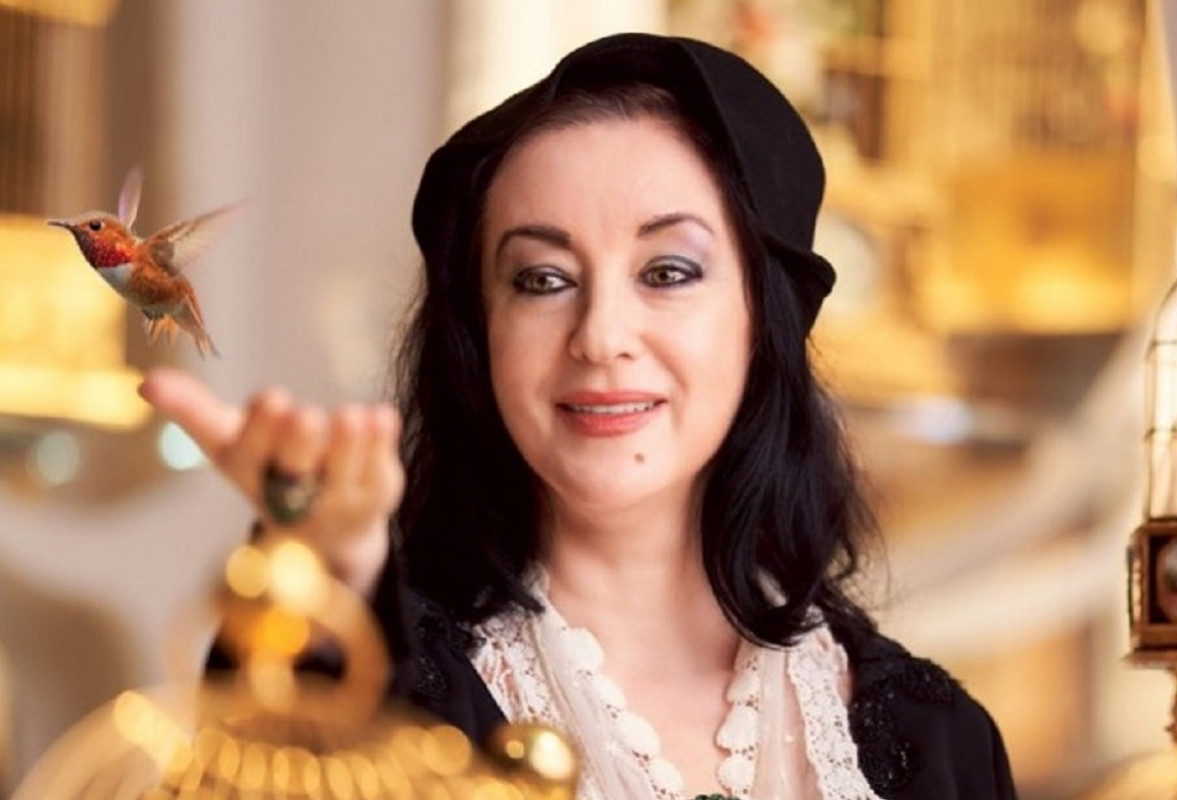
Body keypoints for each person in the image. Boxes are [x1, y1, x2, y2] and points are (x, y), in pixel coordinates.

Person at [140, 32, 1017, 800]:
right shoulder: (397, 692)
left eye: (668, 272)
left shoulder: (936, 740)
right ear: (481, 334)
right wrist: (321, 592)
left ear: (764, 318)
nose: (600, 337)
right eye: (542, 280)